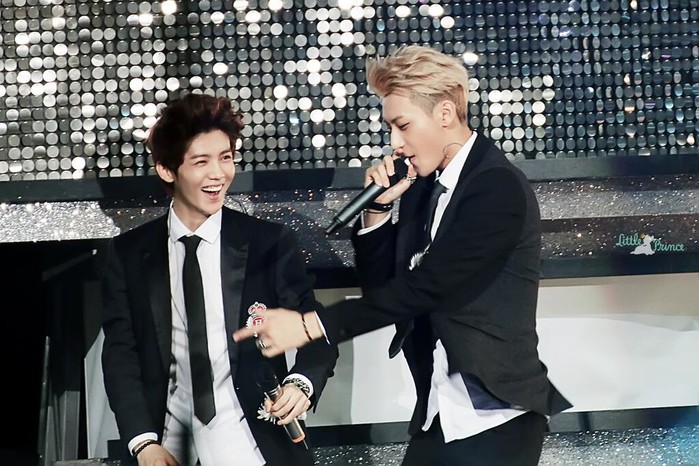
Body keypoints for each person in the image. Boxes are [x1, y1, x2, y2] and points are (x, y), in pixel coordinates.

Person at [234, 45, 571, 465]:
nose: (395, 143)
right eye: (391, 127)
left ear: (444, 113)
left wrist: (309, 325)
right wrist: (378, 210)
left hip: (497, 415)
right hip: (439, 412)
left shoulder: (496, 187)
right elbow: (387, 291)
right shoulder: (423, 188)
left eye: (403, 125)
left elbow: (427, 288)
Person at [101, 93, 338, 466]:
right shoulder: (128, 254)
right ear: (167, 169)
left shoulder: (267, 243)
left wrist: (301, 383)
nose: (218, 174)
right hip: (165, 445)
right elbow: (120, 355)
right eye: (201, 162)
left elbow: (314, 328)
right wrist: (143, 443)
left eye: (225, 158)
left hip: (252, 442)